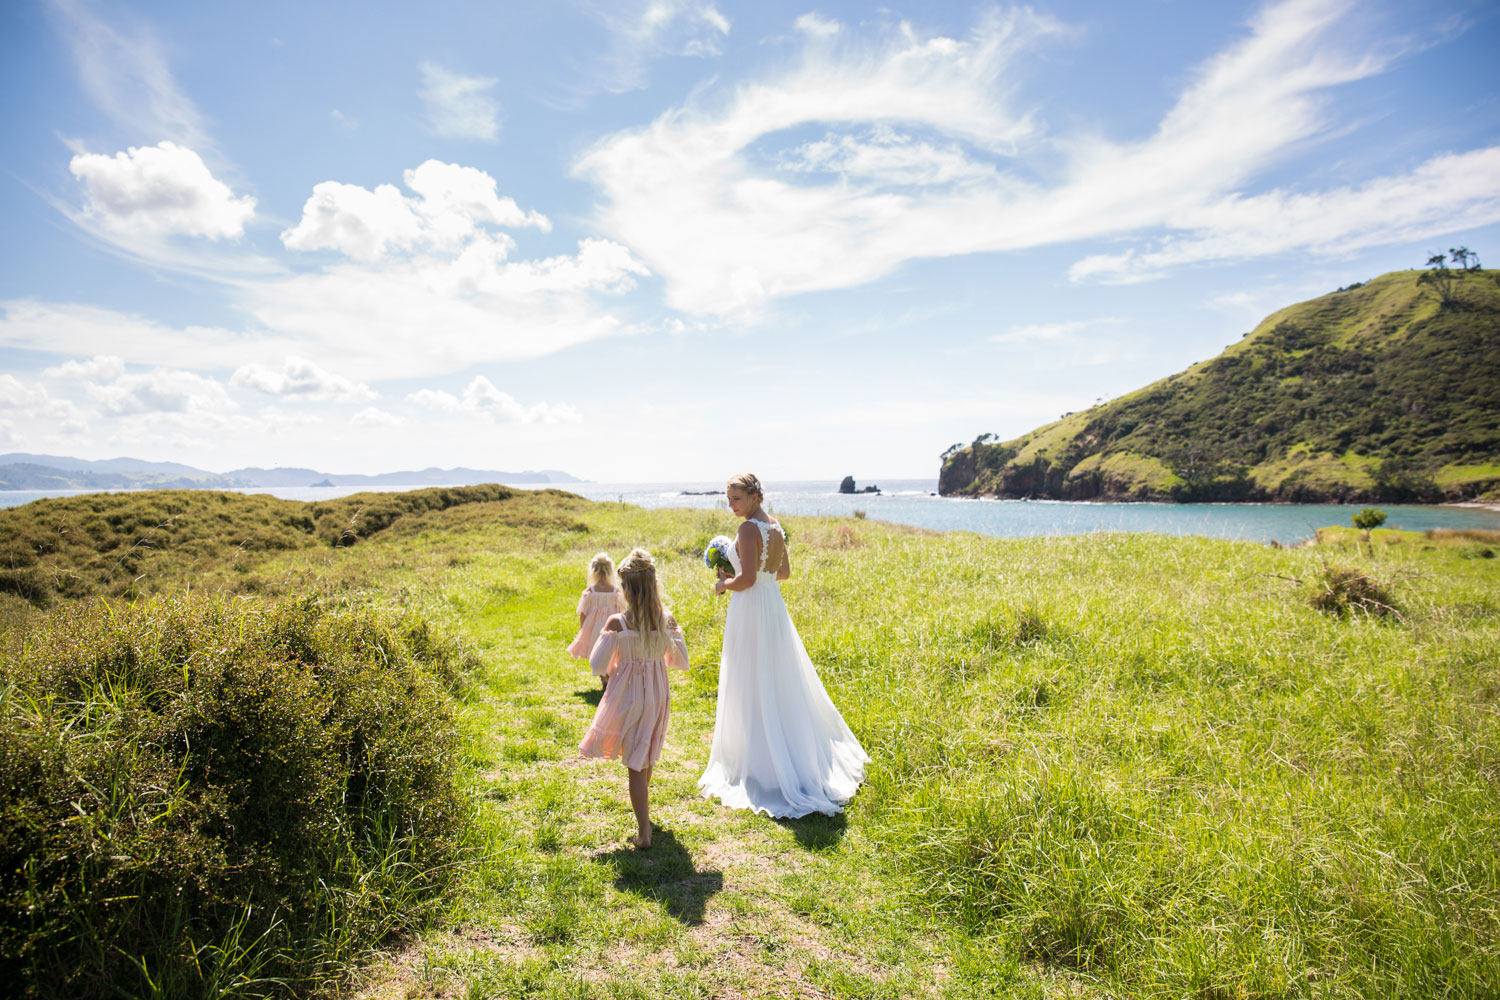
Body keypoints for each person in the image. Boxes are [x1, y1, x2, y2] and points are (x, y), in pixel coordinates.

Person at [698, 473, 870, 817]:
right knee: (774, 676)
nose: (731, 506)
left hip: (751, 609)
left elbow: (746, 579)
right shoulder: (774, 526)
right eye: (728, 499)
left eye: (736, 499)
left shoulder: (748, 529)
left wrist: (725, 584)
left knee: (750, 676)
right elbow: (783, 572)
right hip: (771, 606)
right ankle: (781, 752)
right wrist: (750, 578)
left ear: (754, 497)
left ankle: (761, 766)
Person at [578, 548, 689, 848]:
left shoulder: (618, 622)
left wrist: (617, 656)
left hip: (628, 695)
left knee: (636, 766)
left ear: (626, 590)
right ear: (653, 587)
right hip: (657, 693)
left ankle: (644, 833)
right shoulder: (665, 620)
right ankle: (645, 815)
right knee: (646, 753)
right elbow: (679, 661)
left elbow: (596, 665)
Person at [567, 551, 627, 691]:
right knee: (611, 651)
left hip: (594, 627)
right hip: (612, 627)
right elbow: (621, 610)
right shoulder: (616, 592)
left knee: (599, 650)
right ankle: (608, 676)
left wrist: (583, 629)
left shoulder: (590, 592)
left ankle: (604, 678)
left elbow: (583, 612)